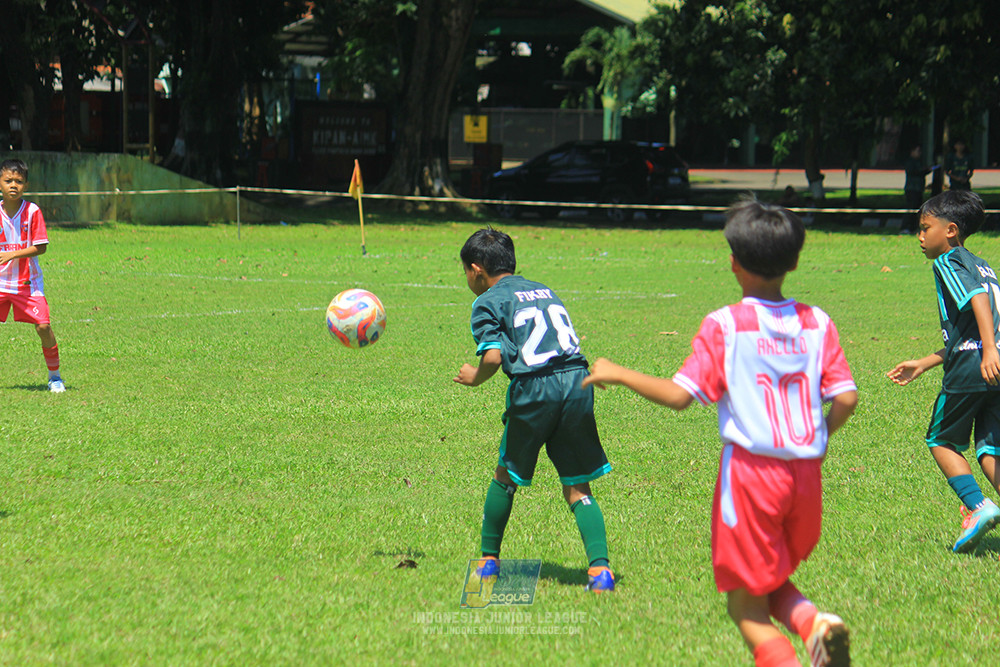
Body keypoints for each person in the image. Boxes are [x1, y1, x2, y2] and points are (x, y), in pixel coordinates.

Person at [583, 199, 857, 667]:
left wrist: (618, 371)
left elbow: (680, 395)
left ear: (733, 263)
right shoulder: (817, 322)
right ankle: (813, 624)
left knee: (743, 605)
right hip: (806, 478)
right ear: (793, 262)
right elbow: (847, 397)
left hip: (752, 479)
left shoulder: (726, 325)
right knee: (767, 584)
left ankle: (810, 629)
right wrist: (820, 440)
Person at [454, 227, 614, 593]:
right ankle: (600, 571)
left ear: (477, 270)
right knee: (577, 485)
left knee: (505, 476)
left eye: (465, 272)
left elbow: (493, 357)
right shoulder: (544, 289)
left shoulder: (486, 301)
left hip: (535, 388)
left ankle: (488, 562)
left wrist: (474, 377)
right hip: (577, 381)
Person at [887, 190, 1000, 553]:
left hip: (976, 363)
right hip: (991, 363)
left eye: (925, 228)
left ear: (950, 230)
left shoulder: (949, 261)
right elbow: (975, 325)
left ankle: (978, 507)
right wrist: (925, 362)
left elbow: (977, 301)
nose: (920, 236)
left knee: (941, 440)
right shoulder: (982, 264)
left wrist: (988, 350)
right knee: (990, 448)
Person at [0, 158, 64, 392]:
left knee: (43, 327)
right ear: (0, 183)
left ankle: (55, 377)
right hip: (1, 283)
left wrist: (12, 255)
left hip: (28, 284)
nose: (13, 185)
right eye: (8, 180)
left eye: (18, 181)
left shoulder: (32, 211)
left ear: (26, 185)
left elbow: (41, 247)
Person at [902, 145, 930, 232]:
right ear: (912, 152)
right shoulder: (910, 162)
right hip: (911, 188)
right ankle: (905, 227)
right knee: (911, 208)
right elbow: (914, 172)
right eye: (918, 151)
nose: (919, 153)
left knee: (918, 209)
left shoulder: (918, 161)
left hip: (919, 188)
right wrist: (924, 170)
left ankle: (914, 227)